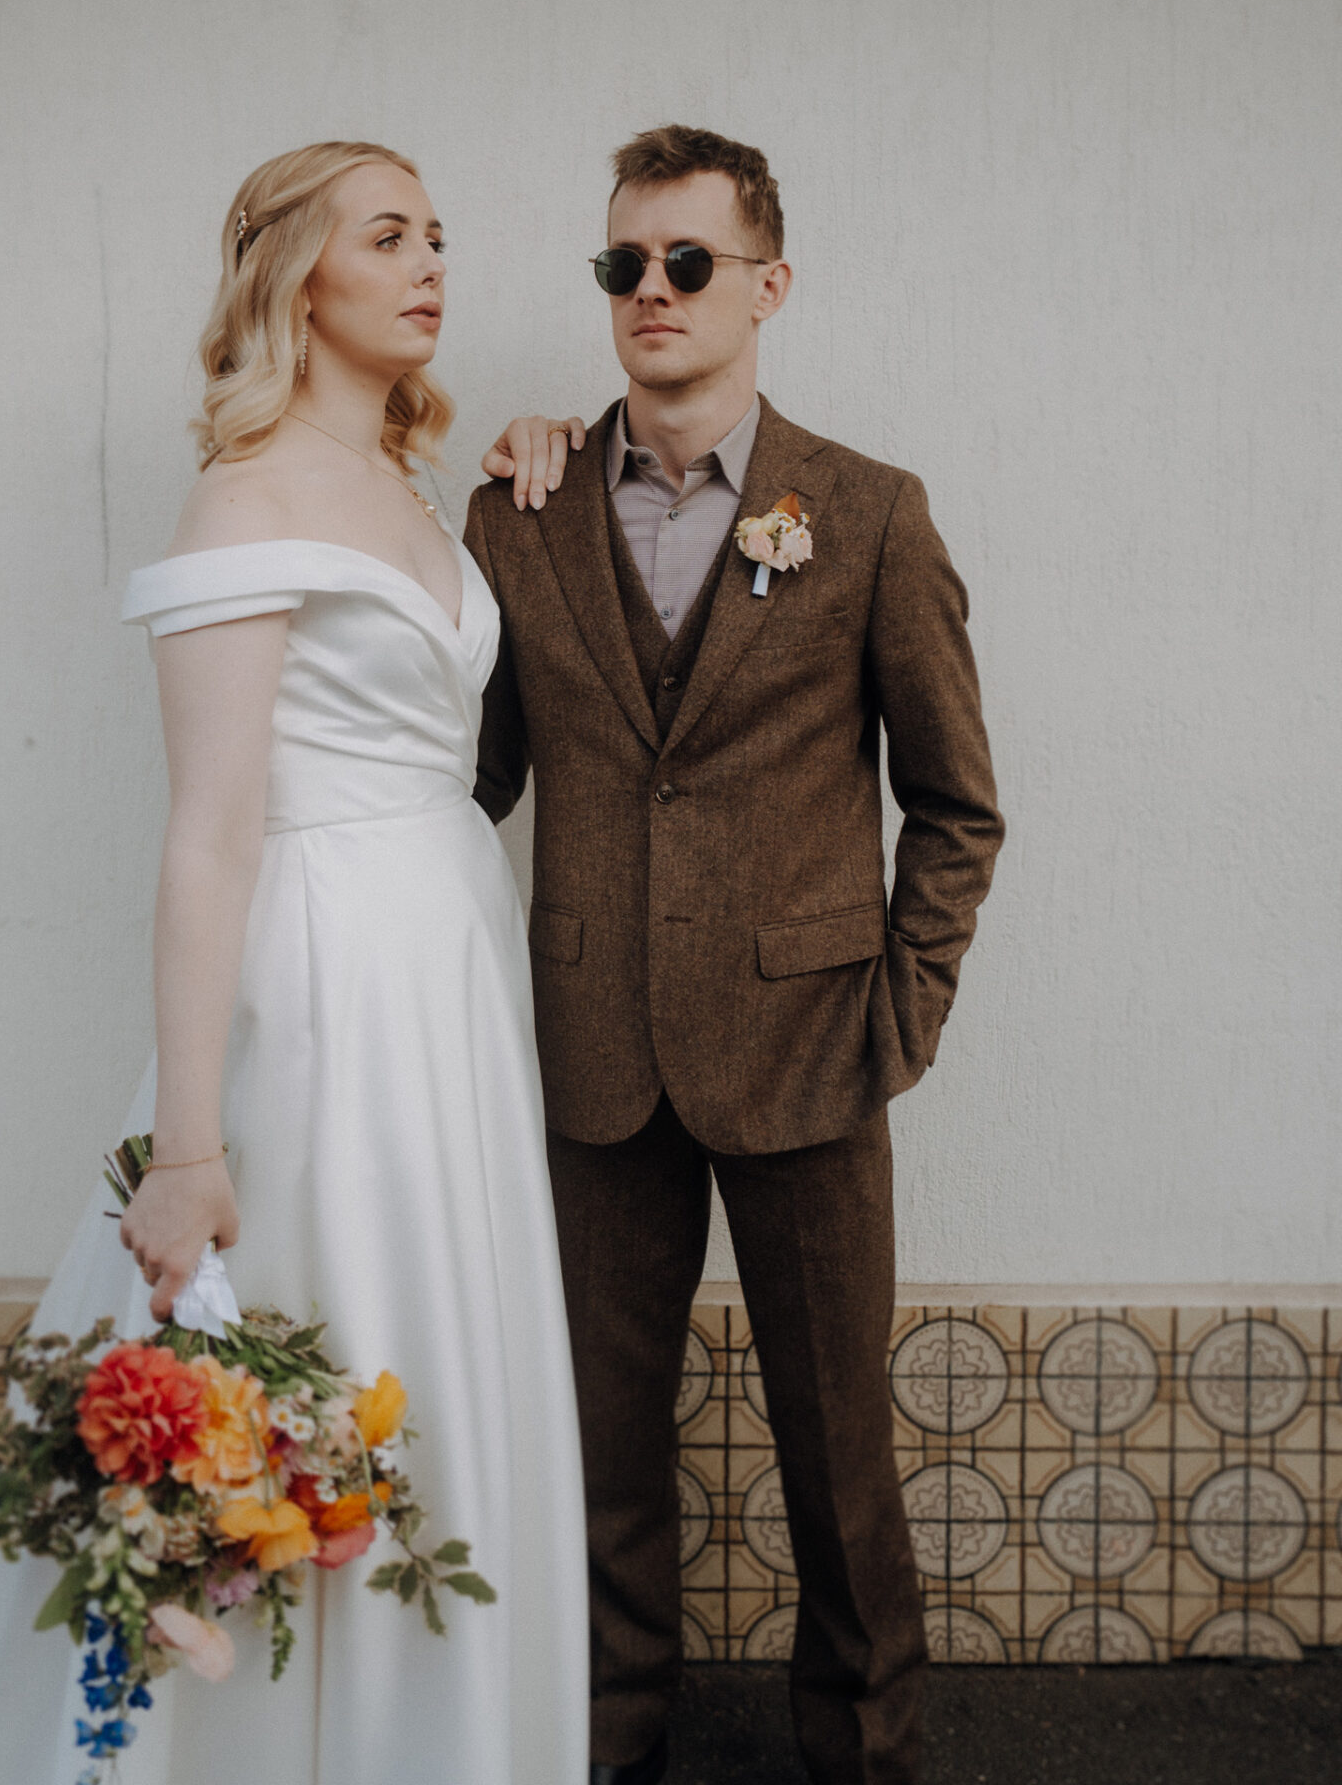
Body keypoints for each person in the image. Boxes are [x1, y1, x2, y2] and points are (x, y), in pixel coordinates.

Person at [0, 141, 588, 1785]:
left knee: (436, 1341)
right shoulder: (247, 494)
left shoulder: (419, 490)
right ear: (296, 277)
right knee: (317, 1326)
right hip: (329, 986)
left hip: (450, 977)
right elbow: (208, 834)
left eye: (440, 238)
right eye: (390, 237)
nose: (432, 265)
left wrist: (550, 439)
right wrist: (188, 1150)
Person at [466, 125, 1004, 1785]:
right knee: (596, 1450)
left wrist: (893, 1020)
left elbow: (957, 806)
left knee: (842, 1453)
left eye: (688, 263)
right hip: (590, 1055)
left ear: (768, 285)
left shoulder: (867, 513)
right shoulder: (521, 508)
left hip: (809, 1051)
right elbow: (468, 780)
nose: (652, 292)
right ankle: (602, 1742)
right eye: (623, 264)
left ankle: (861, 1751)